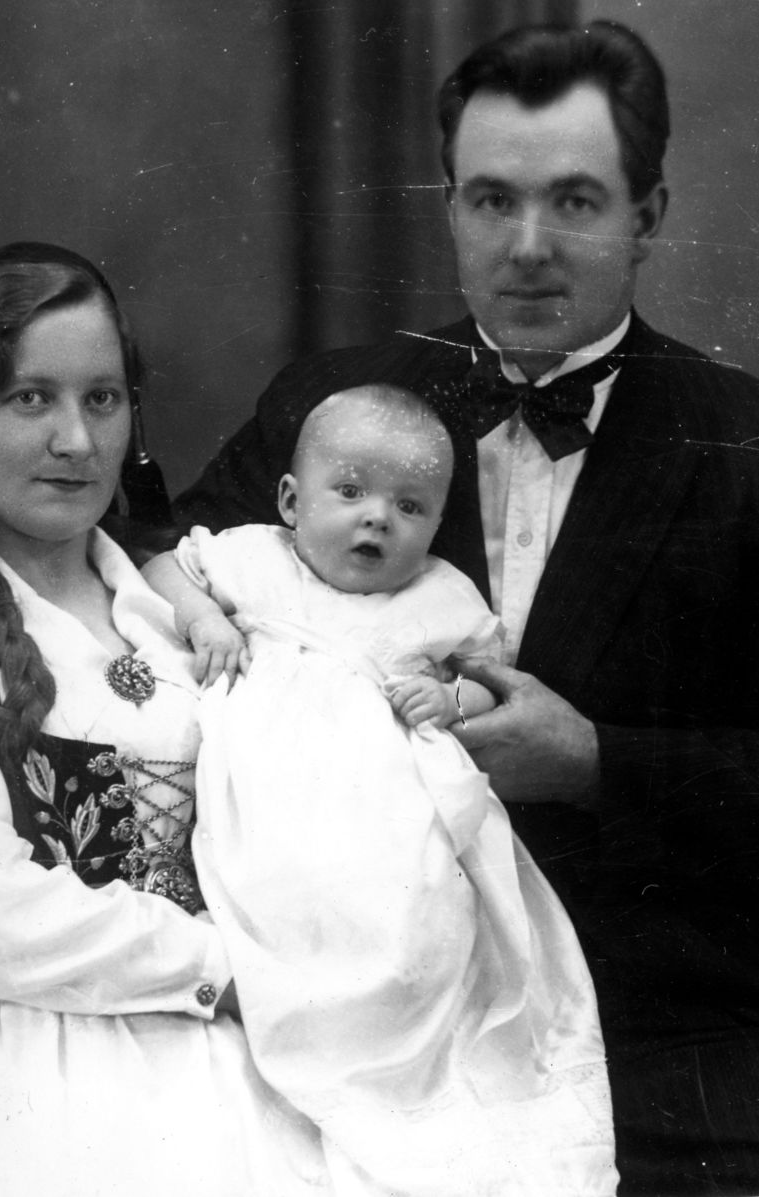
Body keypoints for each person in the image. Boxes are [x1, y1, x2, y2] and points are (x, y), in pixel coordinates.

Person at [172, 20, 759, 1197]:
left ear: (649, 213)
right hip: (344, 1020)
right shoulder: (333, 408)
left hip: (662, 1045)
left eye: (575, 202)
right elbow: (161, 569)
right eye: (492, 200)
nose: (527, 247)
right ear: (448, 206)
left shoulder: (742, 445)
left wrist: (598, 763)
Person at [0, 242, 339, 1197]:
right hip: (39, 1066)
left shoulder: (186, 604)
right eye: (30, 398)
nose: (77, 439)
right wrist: (225, 968)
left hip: (248, 1059)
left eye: (103, 398)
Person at [145, 383, 618, 1196]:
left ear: (435, 525)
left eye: (409, 506)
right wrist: (204, 619)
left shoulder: (437, 593)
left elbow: (487, 683)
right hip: (269, 803)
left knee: (418, 923)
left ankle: (405, 1084)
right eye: (350, 491)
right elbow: (163, 566)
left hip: (387, 816)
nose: (377, 520)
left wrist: (451, 698)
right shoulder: (253, 557)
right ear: (290, 500)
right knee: (275, 910)